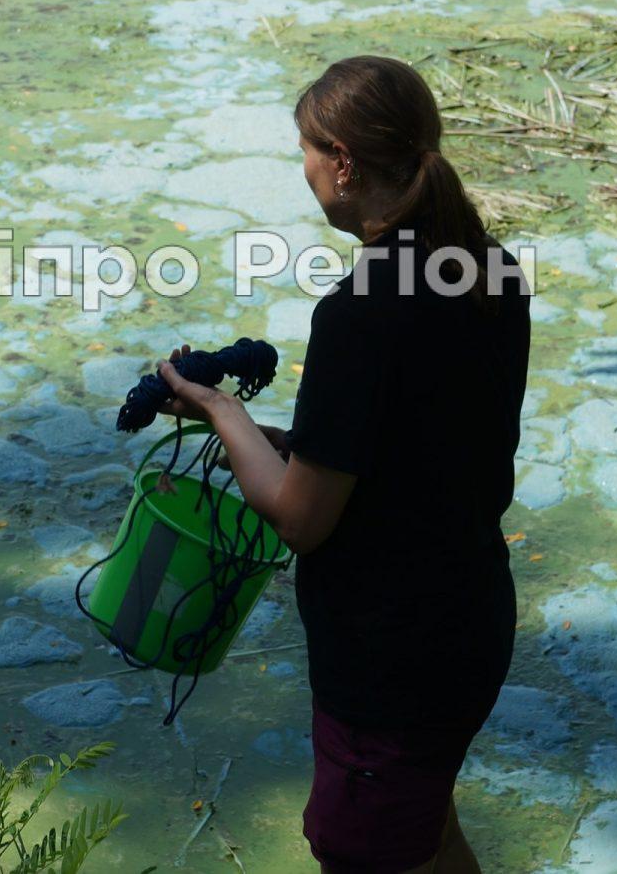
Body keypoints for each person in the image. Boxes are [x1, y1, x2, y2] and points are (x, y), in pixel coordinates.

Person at [155, 54, 530, 874]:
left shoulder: (361, 312)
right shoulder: (489, 270)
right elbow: (417, 447)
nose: (305, 169)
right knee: (426, 837)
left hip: (393, 658)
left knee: (361, 849)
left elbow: (301, 518)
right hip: (469, 620)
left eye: (306, 150)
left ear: (345, 163)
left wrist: (222, 412)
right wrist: (280, 441)